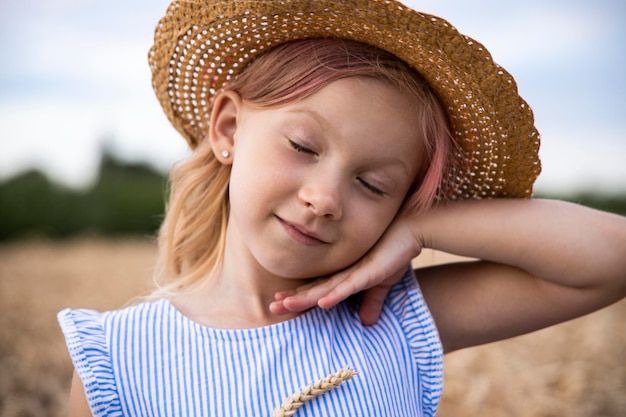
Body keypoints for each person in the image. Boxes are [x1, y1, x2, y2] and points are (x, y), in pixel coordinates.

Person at [58, 0, 626, 416]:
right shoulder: (115, 361)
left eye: (375, 186)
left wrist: (422, 227)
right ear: (229, 127)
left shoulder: (393, 322)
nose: (325, 199)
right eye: (303, 147)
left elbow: (612, 255)